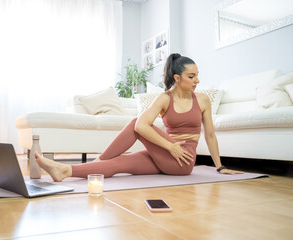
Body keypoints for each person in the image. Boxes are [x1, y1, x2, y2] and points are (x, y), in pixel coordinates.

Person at [35, 53, 243, 182]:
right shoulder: (164, 99)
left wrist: (220, 166)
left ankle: (99, 159)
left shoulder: (203, 100)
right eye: (192, 76)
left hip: (183, 160)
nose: (198, 80)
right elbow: (145, 127)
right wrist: (170, 146)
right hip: (166, 153)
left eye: (197, 74)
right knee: (120, 163)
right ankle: (64, 170)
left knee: (137, 123)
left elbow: (210, 136)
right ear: (177, 78)